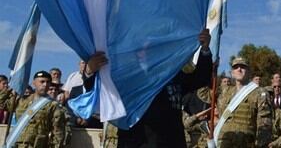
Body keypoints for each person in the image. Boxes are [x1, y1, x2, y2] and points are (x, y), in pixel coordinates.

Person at [84, 28, 213, 148]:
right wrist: (89, 71)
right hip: (136, 143)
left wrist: (205, 49)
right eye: (146, 49)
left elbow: (200, 79)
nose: (151, 52)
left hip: (171, 142)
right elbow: (99, 90)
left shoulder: (171, 73)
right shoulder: (127, 77)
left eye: (154, 48)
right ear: (138, 53)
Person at [215, 56, 272, 147]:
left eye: (243, 67)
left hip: (245, 143)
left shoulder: (260, 93)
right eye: (236, 67)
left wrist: (261, 145)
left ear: (249, 72)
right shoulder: (225, 93)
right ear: (232, 73)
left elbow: (264, 125)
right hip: (223, 143)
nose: (239, 69)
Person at [7, 70, 66, 148]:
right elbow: (2, 104)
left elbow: (58, 132)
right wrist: (10, 89)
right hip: (17, 144)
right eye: (42, 82)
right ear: (34, 83)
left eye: (48, 82)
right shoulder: (21, 101)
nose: (45, 84)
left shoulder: (53, 105)